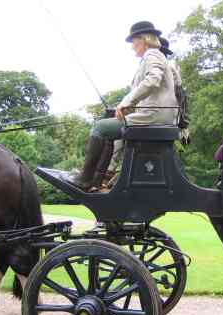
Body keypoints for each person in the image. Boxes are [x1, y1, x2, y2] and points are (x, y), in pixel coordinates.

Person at [63, 21, 177, 190]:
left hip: (154, 116)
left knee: (100, 128)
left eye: (133, 41)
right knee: (107, 127)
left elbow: (152, 80)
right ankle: (95, 179)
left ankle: (85, 178)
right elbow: (149, 91)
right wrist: (125, 106)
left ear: (143, 39)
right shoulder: (153, 56)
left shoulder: (152, 54)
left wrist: (126, 102)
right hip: (155, 114)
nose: (132, 46)